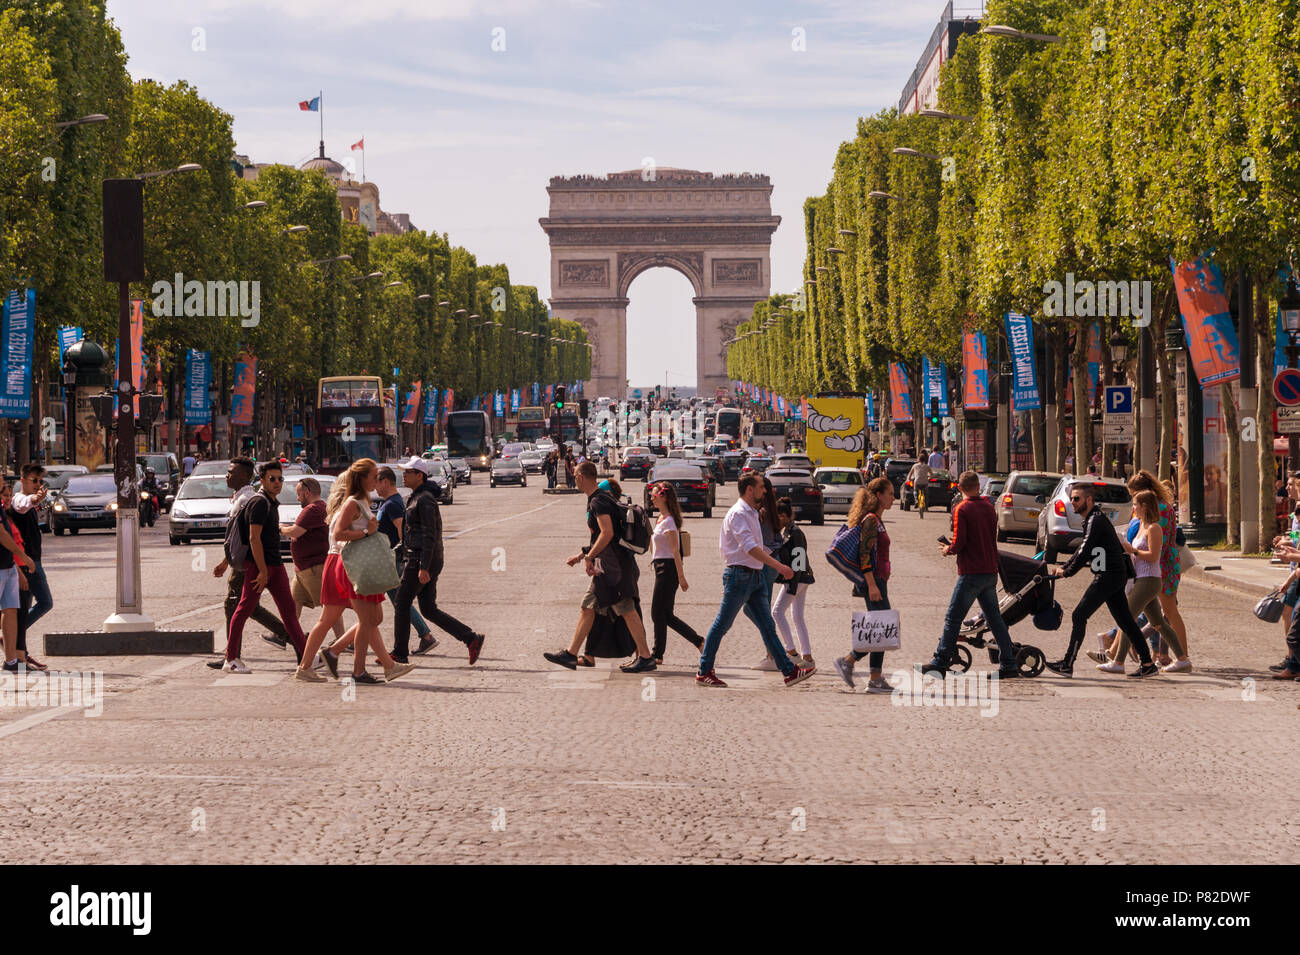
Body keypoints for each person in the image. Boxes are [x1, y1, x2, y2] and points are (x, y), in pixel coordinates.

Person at [297, 458, 415, 684]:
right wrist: (368, 533)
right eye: (373, 476)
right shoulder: (353, 502)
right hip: (352, 564)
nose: (377, 480)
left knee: (369, 618)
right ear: (361, 478)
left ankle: (336, 657)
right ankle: (357, 668)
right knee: (364, 619)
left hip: (354, 563)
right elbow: (340, 534)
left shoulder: (360, 500)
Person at [694, 473, 814, 688]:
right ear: (750, 489)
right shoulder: (739, 514)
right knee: (722, 624)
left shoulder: (751, 513)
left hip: (754, 575)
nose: (765, 490)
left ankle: (789, 672)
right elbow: (749, 547)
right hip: (739, 576)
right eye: (761, 487)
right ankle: (704, 671)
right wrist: (779, 566)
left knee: (768, 626)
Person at [544, 461, 656, 672]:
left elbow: (607, 533)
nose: (573, 478)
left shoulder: (598, 502)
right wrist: (581, 556)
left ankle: (645, 656)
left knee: (624, 609)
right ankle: (573, 654)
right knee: (594, 607)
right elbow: (600, 536)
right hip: (612, 567)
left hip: (614, 569)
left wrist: (589, 557)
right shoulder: (600, 499)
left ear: (582, 477)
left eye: (575, 475)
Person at [1045, 482, 1158, 678]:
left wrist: (1067, 571)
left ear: (1089, 500)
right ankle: (1148, 663)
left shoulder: (1095, 520)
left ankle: (1067, 664)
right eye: (1071, 498)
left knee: (1079, 615)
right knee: (1126, 621)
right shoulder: (1092, 519)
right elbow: (1083, 549)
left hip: (1109, 576)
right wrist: (1065, 568)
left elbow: (1085, 549)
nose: (1073, 502)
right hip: (1114, 575)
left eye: (1077, 498)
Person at [923, 470, 1021, 678]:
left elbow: (959, 543)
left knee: (953, 618)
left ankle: (940, 661)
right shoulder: (988, 506)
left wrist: (946, 549)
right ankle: (1008, 663)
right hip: (990, 570)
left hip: (971, 572)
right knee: (995, 619)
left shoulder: (962, 509)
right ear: (978, 486)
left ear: (959, 488)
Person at [390, 457, 485, 665]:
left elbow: (429, 535)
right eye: (404, 472)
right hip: (423, 558)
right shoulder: (417, 496)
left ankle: (399, 653)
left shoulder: (424, 499)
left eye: (408, 473)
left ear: (419, 476)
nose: (404, 476)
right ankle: (470, 638)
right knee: (428, 609)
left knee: (402, 603)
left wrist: (423, 566)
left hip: (422, 559)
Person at [222, 460, 309, 674]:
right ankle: (231, 658)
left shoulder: (271, 502)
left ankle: (307, 657)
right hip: (259, 567)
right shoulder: (259, 503)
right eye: (272, 479)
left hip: (275, 565)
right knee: (243, 609)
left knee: (288, 611)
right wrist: (261, 570)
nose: (277, 482)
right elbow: (253, 538)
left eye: (280, 479)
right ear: (262, 480)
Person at [1093, 490, 1188, 674]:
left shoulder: (1154, 528)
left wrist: (1132, 551)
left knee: (1127, 618)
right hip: (1141, 579)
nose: (1133, 507)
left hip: (1150, 580)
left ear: (1145, 506)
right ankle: (1183, 660)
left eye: (1136, 504)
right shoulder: (1141, 525)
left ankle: (1118, 662)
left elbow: (1153, 556)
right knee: (1158, 623)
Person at [208, 458, 290, 670]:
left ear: (244, 476)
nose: (227, 476)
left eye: (230, 472)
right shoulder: (241, 497)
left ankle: (232, 655)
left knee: (234, 605)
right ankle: (297, 640)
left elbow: (246, 537)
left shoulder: (246, 499)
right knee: (249, 607)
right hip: (245, 560)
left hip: (248, 561)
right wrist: (225, 562)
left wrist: (232, 563)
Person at [831, 478, 896, 692]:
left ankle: (873, 677)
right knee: (882, 629)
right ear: (879, 495)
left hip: (879, 581)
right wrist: (871, 585)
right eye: (890, 493)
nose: (893, 497)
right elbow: (864, 554)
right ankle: (849, 662)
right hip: (873, 582)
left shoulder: (877, 519)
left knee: (881, 628)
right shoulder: (871, 520)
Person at [277, 476, 346, 652]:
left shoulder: (313, 509)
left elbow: (296, 531)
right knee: (293, 604)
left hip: (313, 567)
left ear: (307, 492)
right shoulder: (317, 508)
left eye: (299, 493)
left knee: (330, 608)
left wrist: (281, 528)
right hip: (304, 569)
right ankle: (284, 636)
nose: (297, 497)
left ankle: (345, 641)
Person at [374, 467, 436, 657]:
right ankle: (425, 636)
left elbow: (403, 532)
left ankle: (424, 636)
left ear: (385, 482)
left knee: (383, 601)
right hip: (387, 559)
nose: (375, 487)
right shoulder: (390, 502)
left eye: (376, 482)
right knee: (397, 601)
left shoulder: (392, 504)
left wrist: (403, 556)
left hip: (391, 560)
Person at [647, 481, 703, 664]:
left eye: (654, 495)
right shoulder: (660, 519)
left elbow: (675, 550)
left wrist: (681, 577)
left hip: (668, 569)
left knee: (657, 612)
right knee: (665, 614)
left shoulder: (670, 521)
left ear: (663, 497)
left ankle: (657, 653)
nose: (651, 498)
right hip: (660, 567)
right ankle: (698, 641)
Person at [9, 465, 52, 662]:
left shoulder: (31, 503)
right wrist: (36, 498)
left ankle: (20, 652)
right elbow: (25, 503)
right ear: (23, 479)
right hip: (28, 561)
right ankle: (12, 635)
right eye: (34, 480)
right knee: (45, 602)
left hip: (32, 559)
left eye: (40, 481)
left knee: (25, 607)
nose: (37, 485)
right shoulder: (19, 499)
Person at [771, 497, 816, 666]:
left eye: (777, 517)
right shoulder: (789, 531)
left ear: (783, 515)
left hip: (797, 579)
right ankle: (807, 657)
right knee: (797, 617)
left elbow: (798, 560)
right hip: (800, 578)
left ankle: (791, 652)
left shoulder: (795, 533)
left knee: (776, 612)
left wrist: (792, 587)